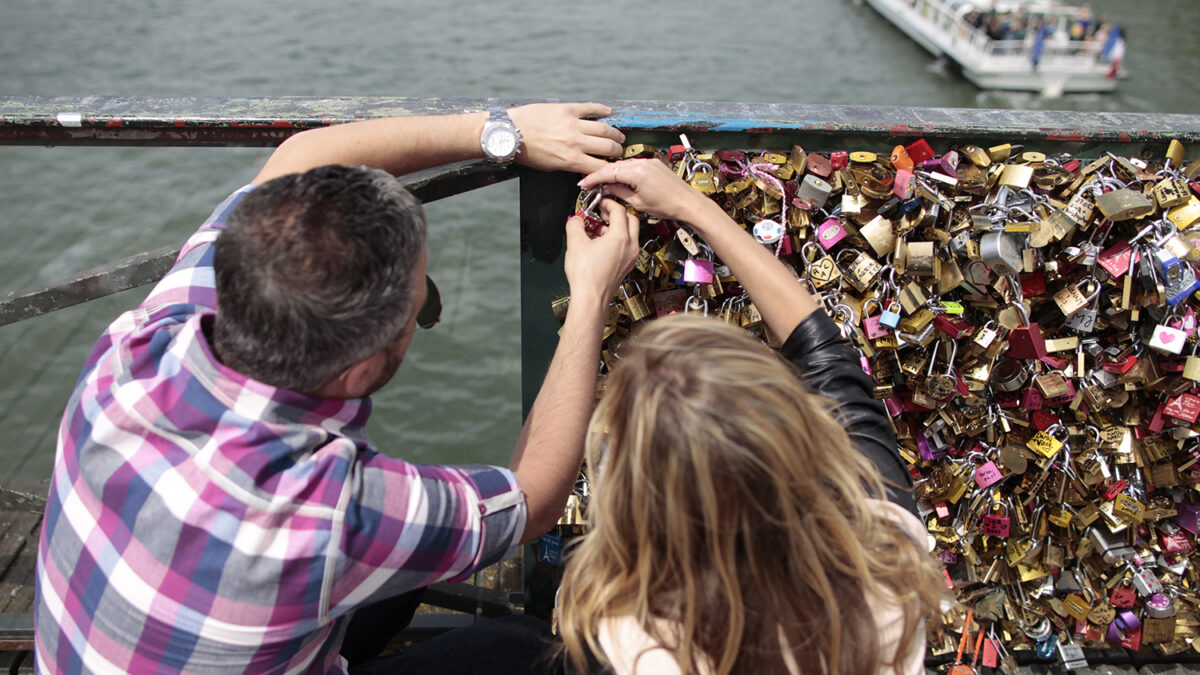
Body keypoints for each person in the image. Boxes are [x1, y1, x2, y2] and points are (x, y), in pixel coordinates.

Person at [34, 103, 638, 674]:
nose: (424, 299)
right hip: (281, 562)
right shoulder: (332, 512)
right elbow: (533, 501)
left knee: (404, 570)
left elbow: (302, 154)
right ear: (357, 372)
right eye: (416, 304)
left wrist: (503, 129)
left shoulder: (142, 344)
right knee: (521, 648)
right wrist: (589, 298)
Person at [553, 159, 948, 675]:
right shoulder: (883, 551)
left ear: (639, 494)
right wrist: (693, 205)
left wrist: (589, 295)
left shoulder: (627, 641)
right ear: (799, 433)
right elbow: (827, 356)